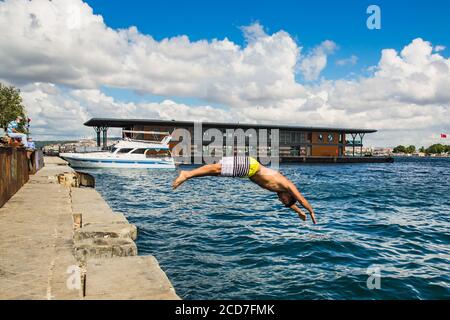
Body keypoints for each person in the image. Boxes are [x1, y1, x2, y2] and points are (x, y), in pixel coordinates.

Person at [172, 156, 317, 223]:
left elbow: (291, 203)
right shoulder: (287, 185)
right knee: (217, 168)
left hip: (248, 171)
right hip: (251, 167)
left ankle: (187, 175)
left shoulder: (279, 190)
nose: (281, 200)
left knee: (216, 172)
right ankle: (186, 174)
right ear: (288, 195)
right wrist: (310, 212)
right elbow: (300, 199)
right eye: (283, 199)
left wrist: (299, 213)